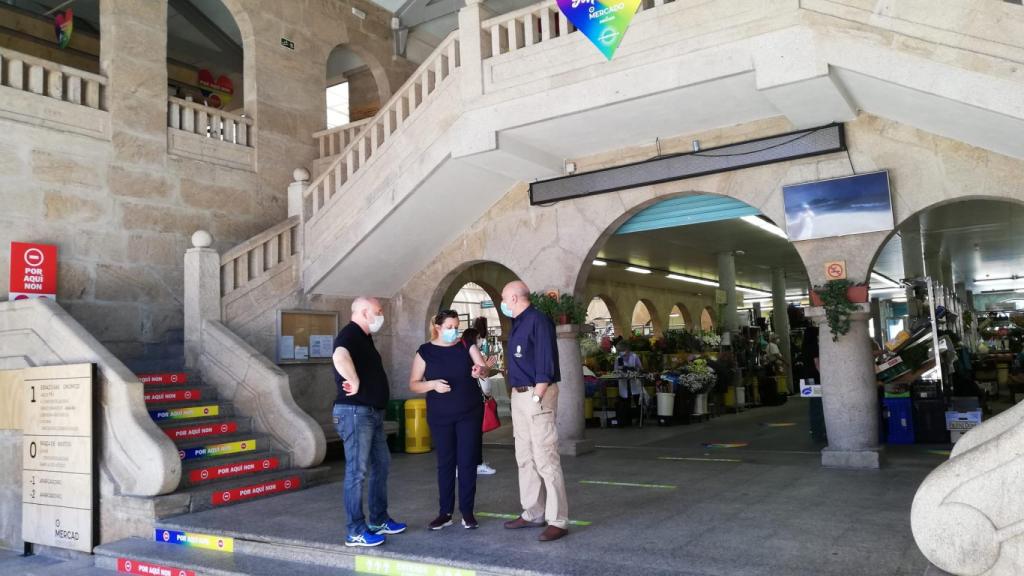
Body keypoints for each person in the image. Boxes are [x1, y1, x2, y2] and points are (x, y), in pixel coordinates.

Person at [332, 297, 407, 547]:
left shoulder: (364, 337)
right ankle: (355, 530)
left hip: (371, 413)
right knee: (357, 472)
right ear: (365, 312)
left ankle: (378, 519)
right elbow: (339, 356)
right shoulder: (350, 334)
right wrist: (353, 380)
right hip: (355, 413)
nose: (381, 314)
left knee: (381, 464)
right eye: (378, 311)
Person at [499, 281, 569, 542]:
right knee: (524, 456)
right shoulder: (518, 322)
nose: (503, 304)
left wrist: (537, 397)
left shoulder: (538, 320)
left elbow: (545, 362)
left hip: (536, 394)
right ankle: (533, 511)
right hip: (519, 394)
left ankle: (558, 519)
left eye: (505, 299)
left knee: (545, 457)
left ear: (515, 298)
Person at [409, 310, 489, 530]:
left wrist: (479, 370)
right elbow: (414, 383)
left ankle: (467, 511)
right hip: (440, 415)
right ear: (438, 327)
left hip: (469, 412)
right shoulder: (425, 352)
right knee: (445, 463)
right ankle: (445, 512)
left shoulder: (466, 345)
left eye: (456, 327)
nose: (454, 331)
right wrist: (432, 385)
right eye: (449, 327)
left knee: (467, 462)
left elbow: (485, 370)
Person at [461, 316, 498, 476]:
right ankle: (476, 463)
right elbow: (481, 377)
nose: (480, 341)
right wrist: (486, 368)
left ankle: (473, 463)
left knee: (473, 435)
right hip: (475, 400)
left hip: (474, 399)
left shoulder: (469, 355)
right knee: (474, 435)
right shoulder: (471, 356)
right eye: (477, 339)